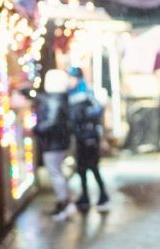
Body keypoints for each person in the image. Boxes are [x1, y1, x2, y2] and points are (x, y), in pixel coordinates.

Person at [33, 69, 76, 220]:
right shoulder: (59, 98)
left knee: (55, 173)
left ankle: (65, 204)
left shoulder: (55, 100)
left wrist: (37, 129)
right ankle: (64, 203)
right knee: (58, 173)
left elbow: (51, 122)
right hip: (58, 142)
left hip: (53, 143)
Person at [67, 67, 110, 212]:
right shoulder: (72, 93)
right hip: (81, 136)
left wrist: (85, 117)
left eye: (71, 77)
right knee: (82, 168)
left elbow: (98, 109)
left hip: (89, 136)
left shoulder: (85, 92)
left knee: (92, 166)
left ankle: (102, 195)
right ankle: (85, 196)